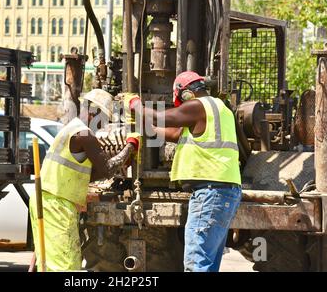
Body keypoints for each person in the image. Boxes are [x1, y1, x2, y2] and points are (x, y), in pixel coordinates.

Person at [125, 71, 242, 272]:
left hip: (210, 193)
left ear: (186, 94)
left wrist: (136, 105)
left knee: (196, 262)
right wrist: (146, 128)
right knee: (207, 263)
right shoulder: (219, 109)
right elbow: (174, 133)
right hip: (223, 192)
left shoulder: (198, 106)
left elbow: (161, 117)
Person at [29, 89, 139, 272]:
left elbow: (89, 174)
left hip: (48, 200)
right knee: (65, 265)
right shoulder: (84, 135)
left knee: (50, 263)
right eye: (105, 118)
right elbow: (106, 168)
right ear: (94, 112)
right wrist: (130, 146)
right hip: (56, 204)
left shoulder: (71, 129)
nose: (105, 124)